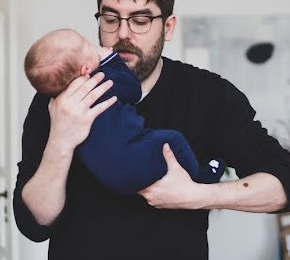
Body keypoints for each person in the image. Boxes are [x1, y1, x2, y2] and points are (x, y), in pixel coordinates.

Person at [13, 0, 290, 260]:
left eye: (140, 19)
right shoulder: (57, 101)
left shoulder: (209, 95)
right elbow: (33, 222)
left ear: (167, 26)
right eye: (110, 17)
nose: (122, 33)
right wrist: (62, 138)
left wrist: (197, 195)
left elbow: (288, 187)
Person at [23, 28, 226, 193]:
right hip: (130, 157)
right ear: (85, 69)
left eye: (139, 20)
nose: (94, 46)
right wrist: (111, 60)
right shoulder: (98, 84)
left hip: (109, 177)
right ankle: (200, 179)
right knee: (173, 140)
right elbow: (132, 90)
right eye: (87, 45)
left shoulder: (63, 102)